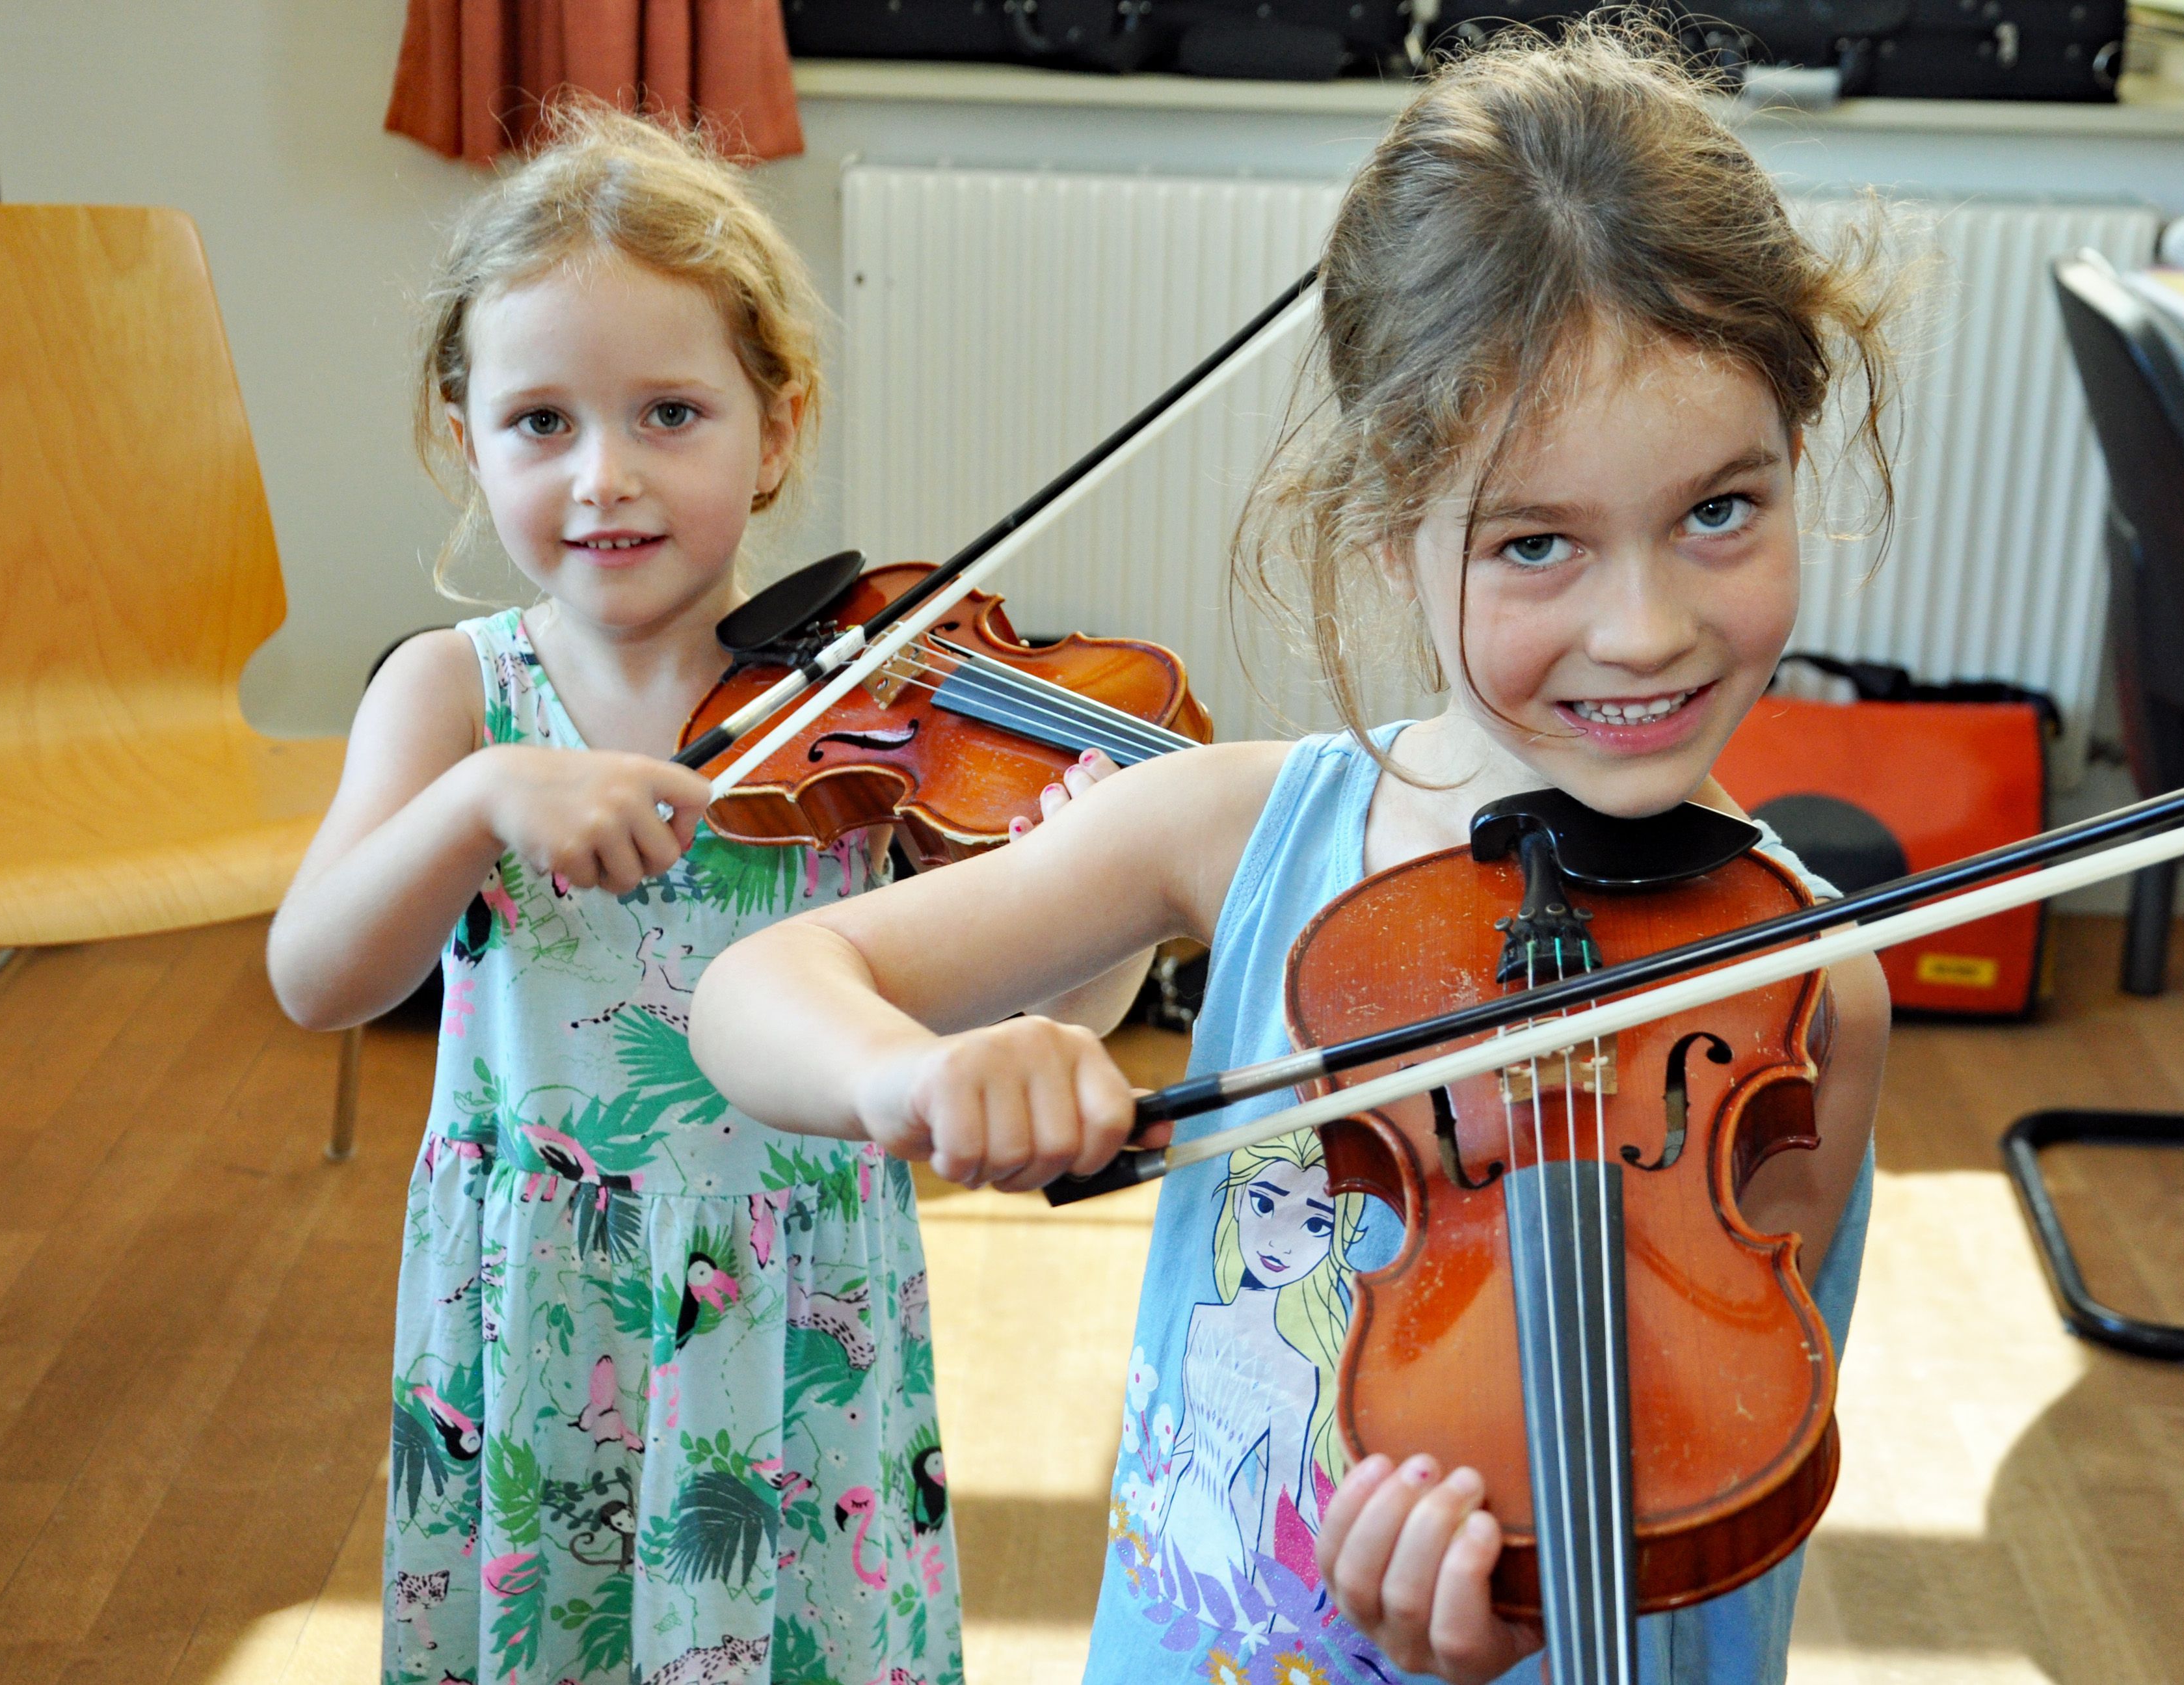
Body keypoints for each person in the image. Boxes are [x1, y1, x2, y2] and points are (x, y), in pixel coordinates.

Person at [689, 20, 1900, 1684]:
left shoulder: (1796, 981)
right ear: (1390, 524)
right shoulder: (1236, 826)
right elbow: (764, 981)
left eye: (1719, 511)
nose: (1647, 626)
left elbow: (1702, 1486)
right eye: (1535, 540)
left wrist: (1494, 1632)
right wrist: (908, 1081)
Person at [267, 106, 1138, 1685]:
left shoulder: (882, 718)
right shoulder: (457, 698)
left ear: (777, 427)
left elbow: (1023, 1026)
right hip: (542, 1300)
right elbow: (315, 976)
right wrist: (474, 806)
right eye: (542, 421)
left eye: (671, 412)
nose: (605, 477)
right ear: (466, 436)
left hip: (795, 1307)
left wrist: (1108, 898)